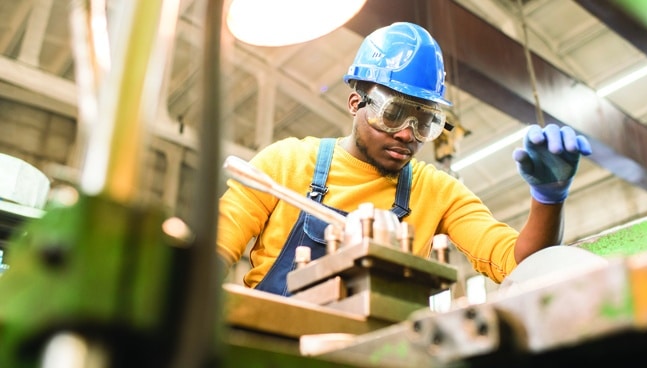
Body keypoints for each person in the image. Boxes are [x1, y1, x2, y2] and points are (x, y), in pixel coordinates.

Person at [216, 22, 592, 296]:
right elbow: (213, 253)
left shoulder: (437, 191)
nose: (408, 134)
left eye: (426, 121)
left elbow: (519, 265)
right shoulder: (284, 164)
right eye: (393, 113)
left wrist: (548, 200)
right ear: (355, 103)